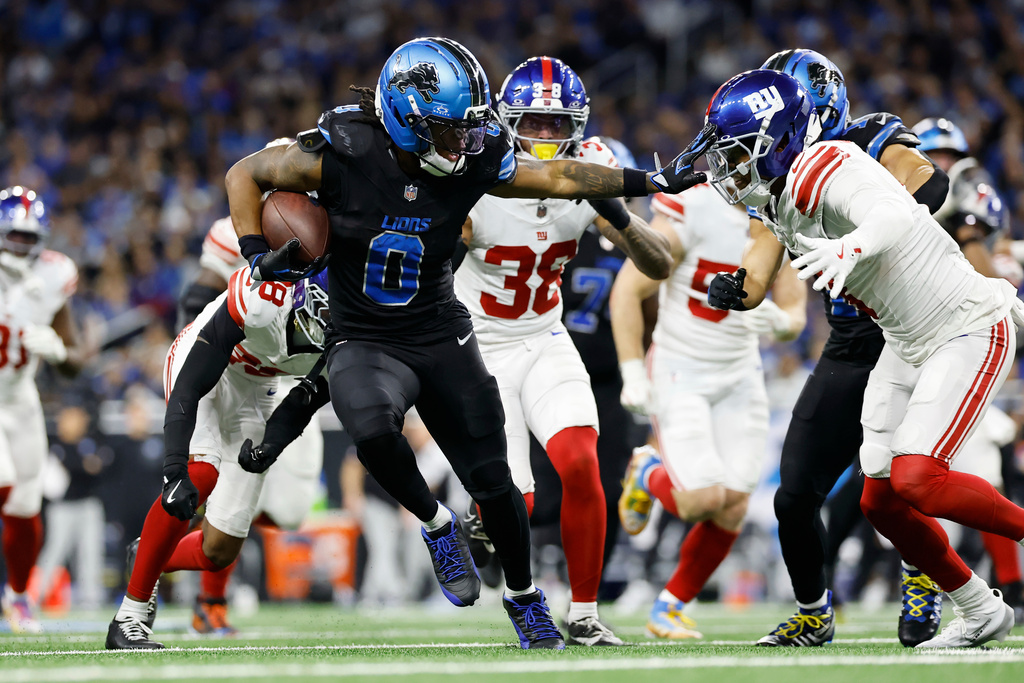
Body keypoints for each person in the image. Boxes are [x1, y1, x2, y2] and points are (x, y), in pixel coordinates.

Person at [221, 37, 710, 650]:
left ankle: (527, 598)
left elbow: (559, 176)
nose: (466, 141)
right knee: (371, 431)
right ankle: (437, 524)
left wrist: (650, 180)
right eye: (450, 129)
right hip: (368, 334)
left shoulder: (479, 164)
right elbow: (245, 173)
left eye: (470, 126)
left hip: (441, 330)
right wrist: (255, 253)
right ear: (407, 120)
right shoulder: (344, 151)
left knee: (498, 483)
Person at [702, 68, 1024, 649]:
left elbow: (900, 210)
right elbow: (757, 261)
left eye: (736, 152)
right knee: (880, 502)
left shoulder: (829, 160)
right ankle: (980, 610)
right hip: (904, 339)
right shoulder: (777, 198)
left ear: (777, 140)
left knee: (919, 478)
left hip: (965, 324)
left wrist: (850, 245)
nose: (728, 168)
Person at [725, 49, 950, 648]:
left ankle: (921, 571)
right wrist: (737, 289)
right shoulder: (773, 176)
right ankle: (812, 611)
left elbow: (929, 183)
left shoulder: (867, 142)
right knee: (795, 494)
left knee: (902, 482)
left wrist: (866, 229)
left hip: (909, 333)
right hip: (850, 344)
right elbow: (757, 272)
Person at [452, 57, 673, 646]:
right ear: (506, 121)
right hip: (481, 348)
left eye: (557, 123)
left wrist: (614, 209)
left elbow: (658, 264)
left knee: (580, 463)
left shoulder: (589, 170)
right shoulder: (480, 176)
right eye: (533, 122)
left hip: (545, 337)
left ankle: (584, 613)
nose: (545, 135)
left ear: (577, 125)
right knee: (517, 500)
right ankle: (488, 528)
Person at [612, 180, 806, 639]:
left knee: (734, 503)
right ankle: (648, 471)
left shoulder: (783, 211)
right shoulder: (696, 208)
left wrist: (780, 323)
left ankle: (670, 606)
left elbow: (795, 312)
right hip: (681, 366)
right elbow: (628, 290)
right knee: (701, 501)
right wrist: (632, 370)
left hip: (740, 372)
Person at [106, 266, 330, 649]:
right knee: (200, 474)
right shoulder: (262, 301)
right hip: (208, 360)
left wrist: (270, 447)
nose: (332, 324)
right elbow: (190, 385)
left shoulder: (350, 340)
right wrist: (174, 469)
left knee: (219, 550)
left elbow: (302, 404)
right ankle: (130, 617)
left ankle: (148, 552)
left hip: (261, 389)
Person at [177, 210, 326, 635]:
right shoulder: (233, 231)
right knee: (231, 492)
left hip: (297, 380)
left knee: (291, 510)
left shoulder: (336, 222)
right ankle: (210, 599)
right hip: (240, 373)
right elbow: (198, 298)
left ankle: (201, 535)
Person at [0, 187, 88, 633]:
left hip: (19, 397)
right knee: (3, 482)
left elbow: (76, 358)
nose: (20, 246)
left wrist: (57, 350)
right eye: (13, 236)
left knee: (25, 503)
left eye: (28, 238)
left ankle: (17, 598)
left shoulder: (53, 275)